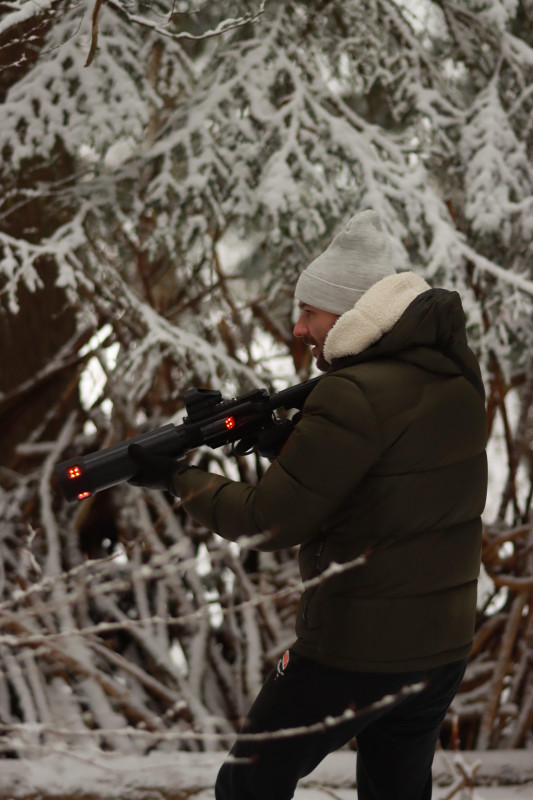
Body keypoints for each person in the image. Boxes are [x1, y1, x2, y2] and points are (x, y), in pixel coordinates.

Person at [129, 210, 488, 800]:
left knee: (250, 786)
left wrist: (176, 478)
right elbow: (385, 475)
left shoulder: (350, 394)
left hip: (354, 650)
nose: (299, 329)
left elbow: (266, 520)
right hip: (440, 650)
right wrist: (278, 440)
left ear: (350, 314)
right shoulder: (451, 376)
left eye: (309, 312)